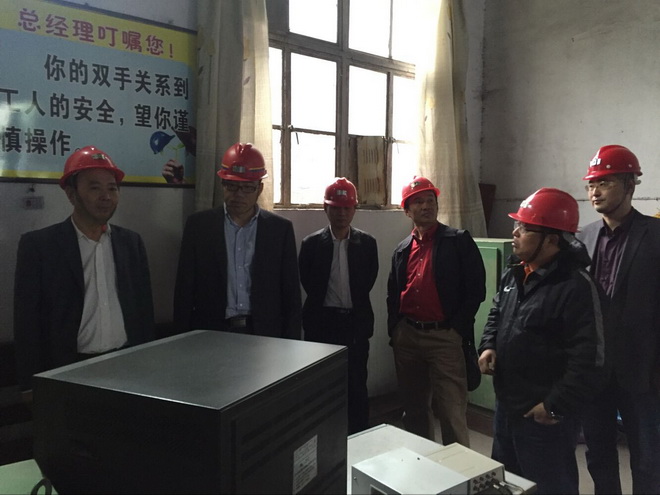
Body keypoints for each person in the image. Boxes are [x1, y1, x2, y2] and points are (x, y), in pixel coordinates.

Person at [478, 188, 605, 494]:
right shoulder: (516, 271)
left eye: (525, 228)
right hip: (507, 405)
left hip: (543, 416)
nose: (515, 233)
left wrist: (553, 406)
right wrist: (488, 344)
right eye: (517, 225)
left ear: (551, 239)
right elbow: (497, 312)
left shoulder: (576, 287)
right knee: (506, 483)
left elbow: (589, 358)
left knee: (549, 486)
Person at [14, 145, 155, 395]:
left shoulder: (131, 243)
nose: (106, 196)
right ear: (71, 194)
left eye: (112, 188)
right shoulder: (39, 247)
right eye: (94, 188)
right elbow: (27, 322)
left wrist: (148, 365)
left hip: (127, 365)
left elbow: (144, 310)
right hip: (67, 370)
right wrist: (29, 385)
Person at [577, 145, 660, 494]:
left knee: (647, 459)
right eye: (591, 184)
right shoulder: (583, 237)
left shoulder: (655, 235)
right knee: (598, 454)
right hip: (595, 369)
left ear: (630, 185)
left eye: (605, 183)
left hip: (643, 371)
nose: (594, 192)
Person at [386, 176, 486, 446]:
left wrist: (456, 329)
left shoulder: (458, 241)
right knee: (414, 410)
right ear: (407, 211)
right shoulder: (402, 249)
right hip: (408, 337)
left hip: (445, 337)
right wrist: (396, 330)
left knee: (452, 411)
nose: (426, 206)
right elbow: (393, 294)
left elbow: (476, 289)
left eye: (430, 200)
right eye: (418, 202)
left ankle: (457, 469)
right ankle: (422, 461)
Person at [173, 142, 301, 339]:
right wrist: (181, 339)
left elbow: (291, 294)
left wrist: (291, 343)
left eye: (247, 188)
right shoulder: (199, 226)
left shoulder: (279, 230)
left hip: (265, 334)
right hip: (211, 332)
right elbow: (184, 289)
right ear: (222, 184)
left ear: (259, 188)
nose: (239, 194)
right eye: (232, 186)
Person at [298, 178, 378, 434]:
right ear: (325, 208)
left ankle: (359, 435)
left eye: (346, 208)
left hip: (355, 324)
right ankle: (322, 436)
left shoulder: (367, 244)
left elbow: (368, 281)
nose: (341, 213)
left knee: (357, 384)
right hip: (322, 324)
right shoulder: (311, 244)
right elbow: (308, 282)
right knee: (320, 384)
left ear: (354, 209)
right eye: (335, 208)